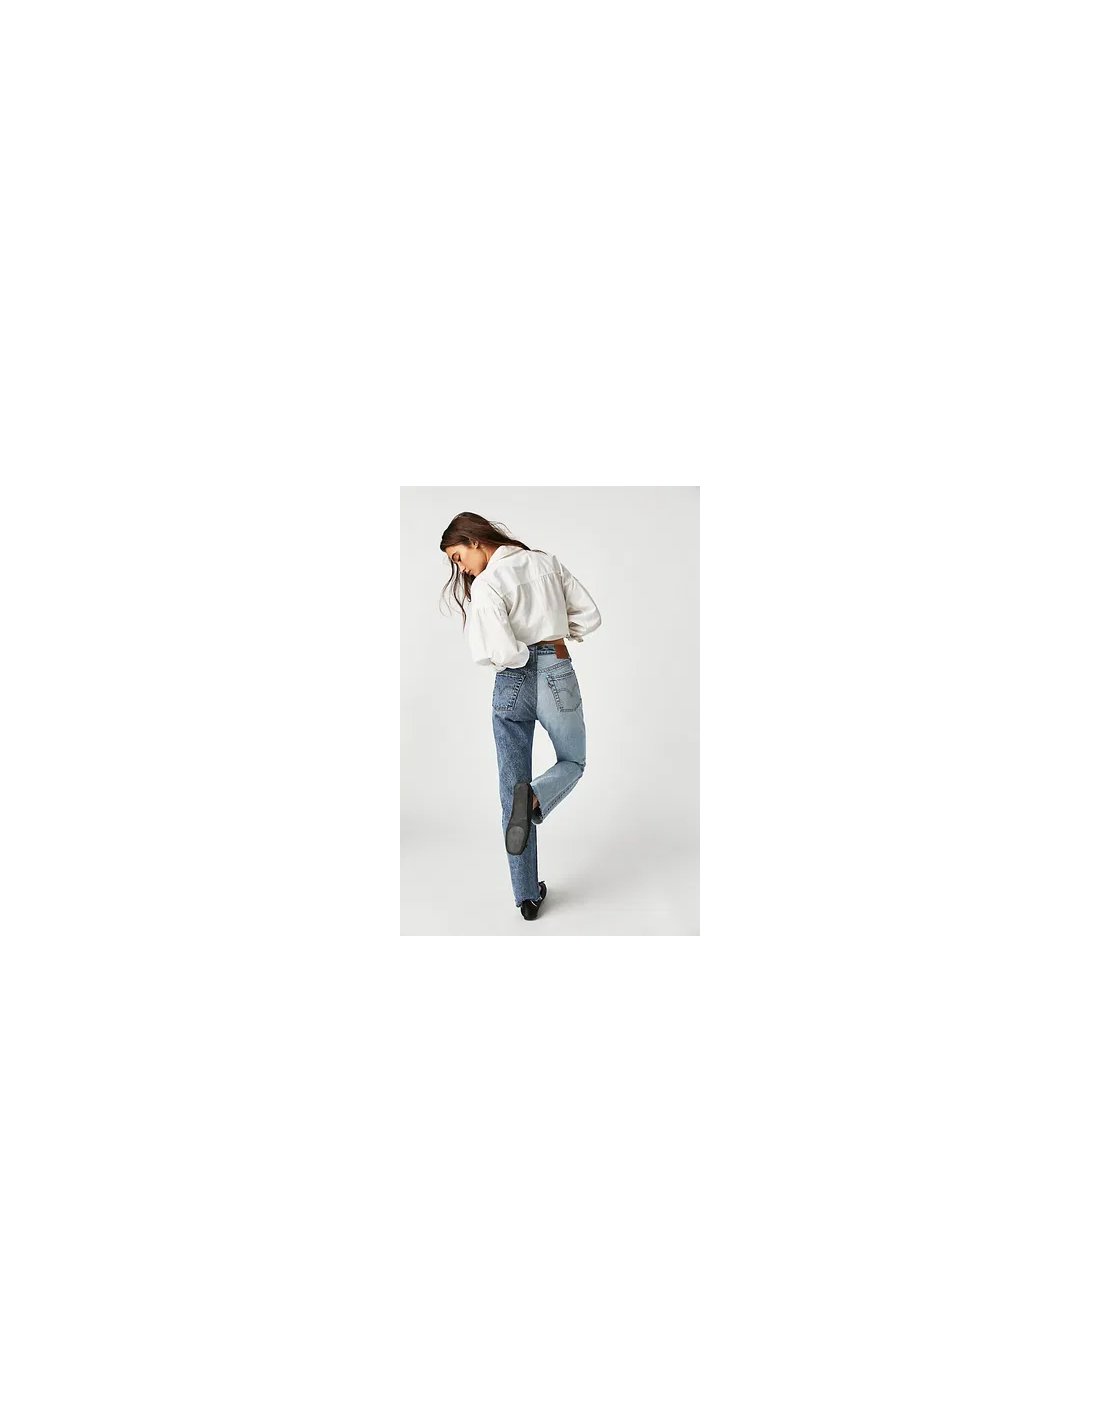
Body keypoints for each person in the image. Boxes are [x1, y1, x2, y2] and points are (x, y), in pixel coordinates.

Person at [440, 512, 601, 921]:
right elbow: (590, 615)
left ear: (475, 541)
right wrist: (557, 639)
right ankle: (534, 798)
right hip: (556, 670)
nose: (462, 568)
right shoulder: (546, 562)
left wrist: (520, 658)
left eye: (459, 557)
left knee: (509, 790)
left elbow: (496, 651)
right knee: (572, 761)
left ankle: (527, 897)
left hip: (511, 684)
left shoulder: (487, 584)